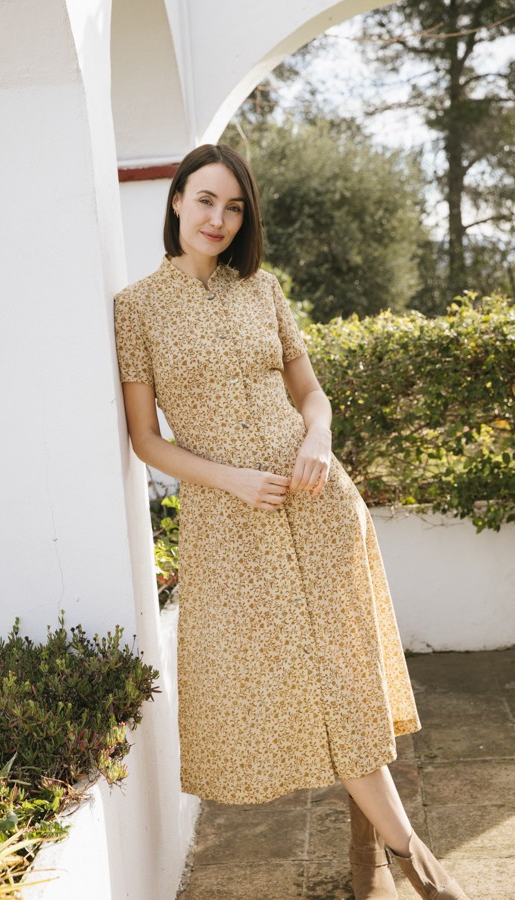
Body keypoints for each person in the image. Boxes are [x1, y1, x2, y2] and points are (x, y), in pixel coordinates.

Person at [113, 143, 469, 900]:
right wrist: (233, 480)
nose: (218, 218)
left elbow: (312, 394)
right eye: (206, 200)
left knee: (345, 675)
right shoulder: (135, 308)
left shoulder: (261, 290)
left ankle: (379, 858)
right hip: (231, 520)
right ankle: (412, 862)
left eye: (234, 207)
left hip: (318, 502)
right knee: (301, 681)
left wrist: (318, 440)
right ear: (175, 200)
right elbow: (146, 439)